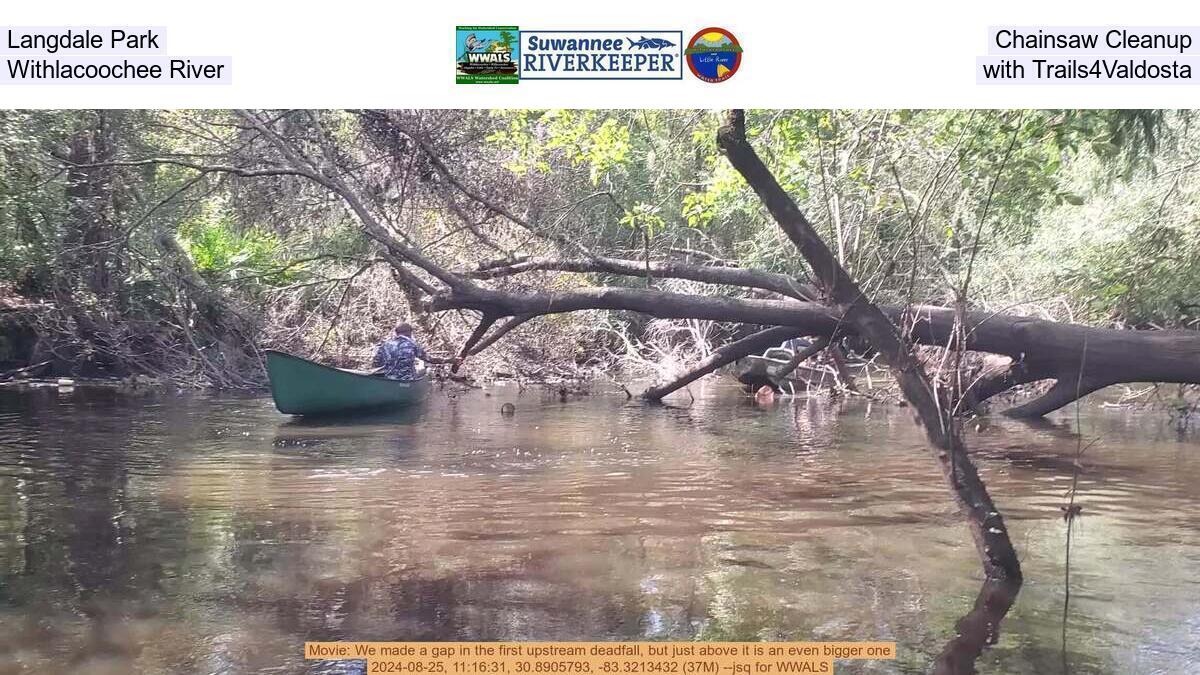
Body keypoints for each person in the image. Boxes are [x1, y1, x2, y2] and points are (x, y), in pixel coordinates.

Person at [372, 322, 459, 380]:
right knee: (425, 371)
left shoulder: (385, 344)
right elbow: (430, 359)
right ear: (410, 332)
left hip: (388, 378)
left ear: (396, 333)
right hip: (406, 379)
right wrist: (449, 360)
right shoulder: (412, 344)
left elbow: (376, 363)